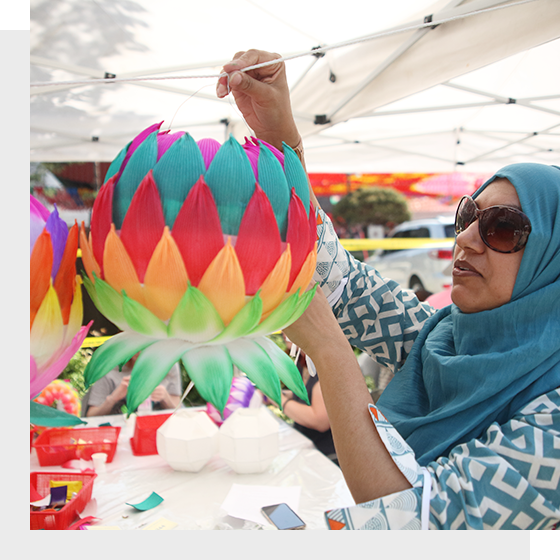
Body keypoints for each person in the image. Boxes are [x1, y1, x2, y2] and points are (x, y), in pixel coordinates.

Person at [216, 50, 560, 530]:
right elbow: (340, 278)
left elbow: (414, 523)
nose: (466, 239)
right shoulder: (442, 341)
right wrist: (282, 139)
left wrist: (332, 353)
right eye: (467, 217)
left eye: (502, 228)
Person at [269, 336, 337, 464]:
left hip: (324, 457)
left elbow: (319, 420)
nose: (285, 333)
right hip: (305, 449)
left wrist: (279, 400)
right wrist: (281, 394)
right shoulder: (301, 363)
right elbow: (307, 396)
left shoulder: (322, 368)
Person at [84, 353, 182, 416]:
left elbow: (178, 412)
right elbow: (91, 416)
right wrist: (113, 398)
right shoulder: (108, 370)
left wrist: (165, 397)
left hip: (160, 430)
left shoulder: (169, 365)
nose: (139, 349)